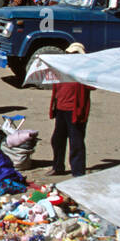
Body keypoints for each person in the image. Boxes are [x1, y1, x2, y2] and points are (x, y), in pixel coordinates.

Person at [49, 42, 91, 176]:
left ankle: (78, 172)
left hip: (75, 111)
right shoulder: (62, 69)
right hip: (61, 109)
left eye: (73, 54)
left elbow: (95, 84)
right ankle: (58, 167)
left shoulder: (84, 72)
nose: (70, 56)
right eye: (69, 53)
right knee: (57, 140)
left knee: (76, 142)